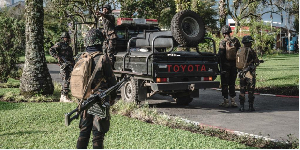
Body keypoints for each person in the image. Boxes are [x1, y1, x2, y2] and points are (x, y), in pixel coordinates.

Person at [76, 29, 117, 149]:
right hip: (100, 100)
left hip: (84, 99)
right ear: (99, 41)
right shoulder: (103, 58)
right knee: (98, 134)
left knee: (84, 131)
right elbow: (112, 82)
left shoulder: (80, 57)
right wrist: (112, 98)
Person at [218, 25, 241, 107]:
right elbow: (240, 52)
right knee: (232, 83)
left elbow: (220, 55)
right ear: (230, 32)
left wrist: (220, 66)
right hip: (234, 66)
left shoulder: (223, 42)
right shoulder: (236, 41)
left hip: (225, 66)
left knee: (224, 84)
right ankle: (233, 101)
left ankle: (226, 101)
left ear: (223, 33)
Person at [238, 35, 262, 112]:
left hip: (241, 73)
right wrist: (258, 62)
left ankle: (241, 107)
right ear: (248, 43)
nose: (251, 44)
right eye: (250, 42)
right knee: (251, 90)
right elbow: (256, 61)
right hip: (249, 73)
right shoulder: (251, 51)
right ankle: (250, 106)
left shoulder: (239, 50)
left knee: (242, 90)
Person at [49, 32, 74, 103]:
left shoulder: (69, 47)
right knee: (65, 80)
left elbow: (71, 57)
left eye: (68, 38)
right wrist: (57, 57)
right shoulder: (59, 44)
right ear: (63, 38)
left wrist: (73, 64)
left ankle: (64, 96)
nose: (68, 39)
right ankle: (64, 96)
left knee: (68, 80)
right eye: (67, 38)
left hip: (69, 65)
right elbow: (51, 50)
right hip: (63, 65)